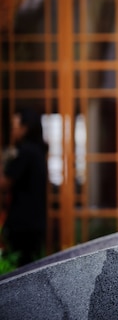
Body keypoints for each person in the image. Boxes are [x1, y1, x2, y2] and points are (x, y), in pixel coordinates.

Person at [0, 108, 48, 267]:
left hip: (22, 223)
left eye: (15, 126)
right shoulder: (38, 151)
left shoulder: (25, 151)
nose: (13, 130)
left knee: (19, 271)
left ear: (25, 128)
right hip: (35, 221)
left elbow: (5, 183)